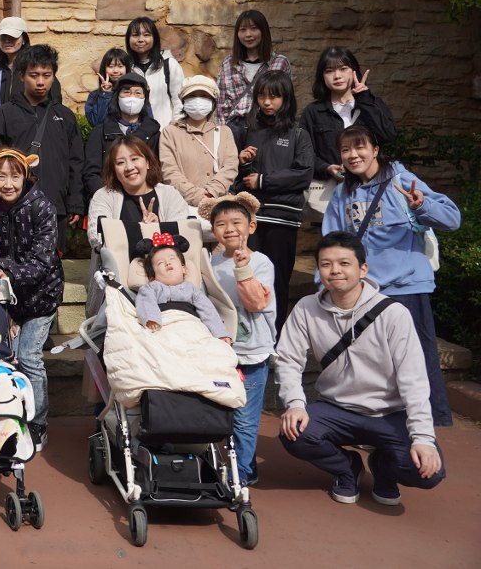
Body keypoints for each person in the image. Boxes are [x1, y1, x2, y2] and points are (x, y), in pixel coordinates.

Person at [277, 232, 446, 506]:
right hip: (336, 409)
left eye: (344, 263)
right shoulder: (307, 308)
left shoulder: (394, 314)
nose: (335, 270)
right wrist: (295, 403)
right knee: (294, 433)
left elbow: (413, 380)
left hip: (389, 413)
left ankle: (383, 467)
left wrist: (423, 438)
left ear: (363, 269)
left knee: (427, 473)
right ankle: (348, 467)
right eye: (326, 264)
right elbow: (288, 359)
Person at [323, 125, 461, 427]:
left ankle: (424, 429)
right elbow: (331, 243)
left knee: (417, 360)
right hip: (366, 293)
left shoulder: (402, 180)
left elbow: (452, 219)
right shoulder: (342, 194)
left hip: (407, 288)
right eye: (345, 150)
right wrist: (326, 287)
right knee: (373, 365)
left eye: (360, 147)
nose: (353, 155)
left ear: (375, 150)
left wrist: (422, 205)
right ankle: (382, 429)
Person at [0, 147, 62, 451]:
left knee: (29, 357)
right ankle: (13, 414)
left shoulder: (41, 207)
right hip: (6, 297)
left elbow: (42, 262)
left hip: (41, 296)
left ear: (26, 176)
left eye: (15, 176)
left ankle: (38, 423)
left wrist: (5, 269)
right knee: (8, 357)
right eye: (1, 176)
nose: (8, 184)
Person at [201, 193, 276, 486]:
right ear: (213, 230)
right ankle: (227, 464)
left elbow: (256, 303)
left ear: (251, 226)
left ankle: (242, 473)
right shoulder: (209, 263)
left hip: (252, 353)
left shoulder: (261, 262)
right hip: (220, 353)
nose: (229, 229)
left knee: (245, 418)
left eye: (236, 222)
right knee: (217, 412)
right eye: (221, 224)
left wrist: (243, 267)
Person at [230, 70, 314, 333]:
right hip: (251, 217)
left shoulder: (298, 133)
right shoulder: (247, 130)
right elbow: (238, 177)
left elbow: (303, 174)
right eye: (262, 96)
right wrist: (243, 162)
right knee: (247, 275)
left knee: (277, 280)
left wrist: (264, 180)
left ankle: (274, 337)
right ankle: (248, 336)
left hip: (282, 218)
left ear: (286, 98)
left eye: (274, 96)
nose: (267, 102)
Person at [0, 44, 84, 252]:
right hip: (13, 207)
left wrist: (75, 202)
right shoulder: (5, 114)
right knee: (12, 262)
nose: (40, 82)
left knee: (51, 262)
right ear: (22, 76)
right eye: (34, 75)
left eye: (46, 75)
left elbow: (76, 162)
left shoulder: (64, 116)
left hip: (55, 207)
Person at [85, 137, 189, 317]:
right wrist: (145, 230)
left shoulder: (169, 194)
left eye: (135, 159)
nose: (129, 167)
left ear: (148, 163)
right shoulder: (104, 196)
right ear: (113, 169)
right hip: (118, 288)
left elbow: (182, 235)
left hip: (167, 288)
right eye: (120, 162)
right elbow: (97, 237)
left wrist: (156, 227)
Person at [300, 47, 398, 191]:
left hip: (371, 185)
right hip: (331, 189)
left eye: (343, 69)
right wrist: (326, 168)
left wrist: (364, 100)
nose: (337, 76)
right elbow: (303, 152)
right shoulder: (313, 111)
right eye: (329, 71)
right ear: (322, 76)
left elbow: (388, 135)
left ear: (354, 71)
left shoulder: (372, 103)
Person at [159, 75, 239, 210]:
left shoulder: (224, 132)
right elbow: (169, 171)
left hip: (219, 206)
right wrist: (198, 196)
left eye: (204, 96)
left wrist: (212, 192)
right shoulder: (170, 132)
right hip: (182, 206)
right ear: (183, 101)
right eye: (192, 96)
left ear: (213, 102)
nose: (198, 100)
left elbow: (230, 166)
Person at [133, 233, 231, 341]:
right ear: (152, 278)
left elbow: (208, 311)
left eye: (172, 259)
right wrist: (151, 318)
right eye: (160, 263)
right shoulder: (151, 288)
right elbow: (146, 302)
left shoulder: (192, 290)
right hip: (164, 323)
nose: (167, 263)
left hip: (191, 324)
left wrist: (220, 333)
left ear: (183, 269)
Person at [82, 71, 162, 199]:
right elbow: (91, 173)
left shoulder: (154, 134)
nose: (132, 97)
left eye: (138, 93)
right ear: (117, 96)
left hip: (144, 199)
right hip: (108, 199)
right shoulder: (100, 132)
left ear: (145, 99)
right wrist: (108, 198)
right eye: (127, 92)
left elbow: (157, 171)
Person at [216, 10, 291, 125]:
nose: (248, 34)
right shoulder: (229, 63)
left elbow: (287, 101)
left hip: (268, 126)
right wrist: (221, 131)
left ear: (263, 31)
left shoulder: (280, 63)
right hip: (235, 127)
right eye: (243, 29)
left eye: (254, 28)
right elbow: (220, 104)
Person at [124, 16, 184, 127]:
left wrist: (175, 129)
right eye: (135, 35)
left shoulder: (168, 64)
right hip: (134, 134)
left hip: (164, 132)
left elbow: (179, 101)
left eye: (146, 35)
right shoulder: (126, 67)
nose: (141, 39)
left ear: (154, 38)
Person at [84, 47, 131, 127]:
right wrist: (105, 94)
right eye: (111, 66)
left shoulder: (135, 92)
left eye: (120, 66)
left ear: (127, 68)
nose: (115, 71)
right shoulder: (94, 95)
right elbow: (97, 123)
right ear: (104, 68)